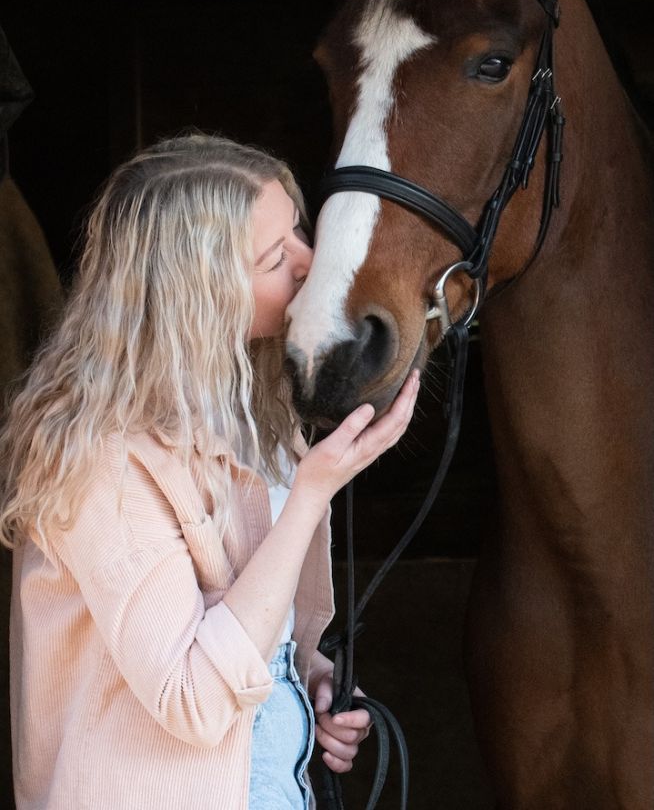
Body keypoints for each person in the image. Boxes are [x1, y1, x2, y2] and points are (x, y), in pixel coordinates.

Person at [0, 133, 419, 809]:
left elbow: (246, 628)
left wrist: (304, 679)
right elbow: (192, 697)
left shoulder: (256, 415)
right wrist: (312, 494)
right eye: (276, 257)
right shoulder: (105, 461)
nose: (310, 261)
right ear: (199, 295)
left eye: (299, 232)